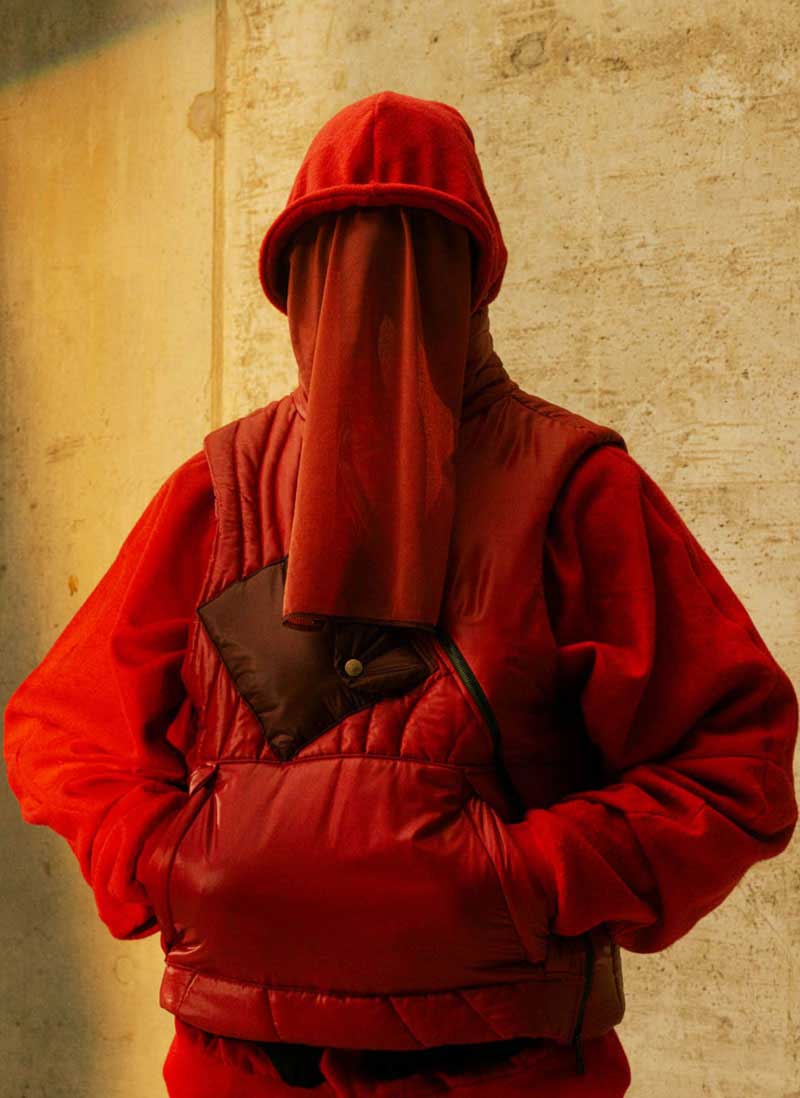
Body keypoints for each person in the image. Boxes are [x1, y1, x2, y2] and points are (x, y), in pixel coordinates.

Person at [3, 90, 798, 1098]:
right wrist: (165, 858)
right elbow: (63, 731)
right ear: (291, 280)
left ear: (472, 276)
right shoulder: (219, 486)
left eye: (416, 249)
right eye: (337, 250)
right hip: (240, 1064)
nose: (375, 284)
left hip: (498, 1070)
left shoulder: (572, 487)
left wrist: (524, 879)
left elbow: (730, 764)